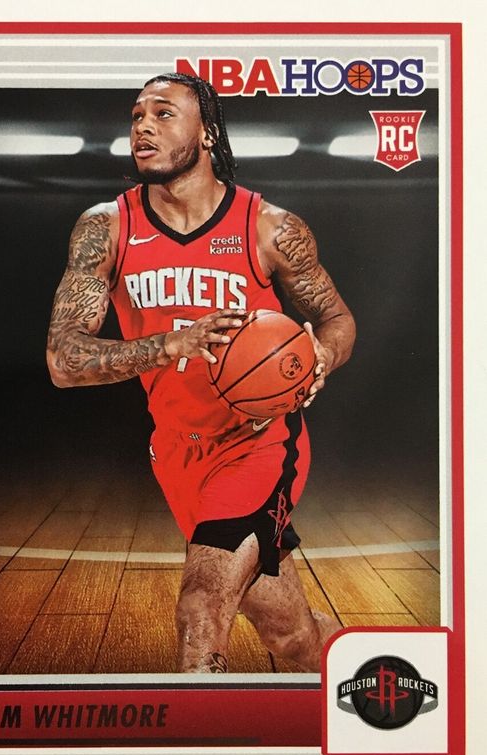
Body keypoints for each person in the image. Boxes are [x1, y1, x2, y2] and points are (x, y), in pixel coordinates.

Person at [46, 73, 356, 674]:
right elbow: (64, 360)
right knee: (289, 634)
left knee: (200, 608)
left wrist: (321, 355)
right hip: (176, 452)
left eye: (163, 113)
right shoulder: (106, 228)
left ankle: (201, 735)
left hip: (258, 444)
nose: (142, 126)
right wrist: (170, 344)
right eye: (136, 115)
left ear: (208, 132)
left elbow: (336, 319)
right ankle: (370, 675)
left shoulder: (270, 228)